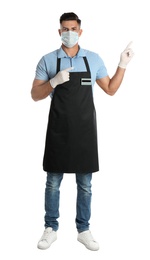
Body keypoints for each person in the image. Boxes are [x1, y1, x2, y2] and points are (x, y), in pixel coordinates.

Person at [31, 12, 134, 251]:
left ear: (80, 31)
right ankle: (50, 228)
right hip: (58, 130)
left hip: (85, 132)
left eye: (73, 29)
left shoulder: (93, 59)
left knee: (85, 184)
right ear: (59, 32)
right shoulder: (47, 60)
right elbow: (35, 95)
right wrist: (53, 82)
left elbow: (110, 89)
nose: (69, 33)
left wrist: (122, 64)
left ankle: (83, 229)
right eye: (65, 29)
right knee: (53, 182)